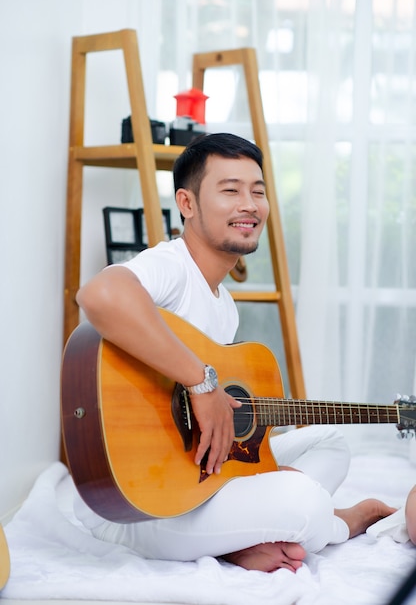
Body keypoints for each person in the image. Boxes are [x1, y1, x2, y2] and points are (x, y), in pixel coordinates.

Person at [74, 132, 395, 573]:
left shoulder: (223, 305)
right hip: (140, 509)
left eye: (257, 191)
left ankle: (248, 538)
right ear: (187, 204)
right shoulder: (171, 267)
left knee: (331, 442)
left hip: (192, 483)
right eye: (230, 190)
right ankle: (336, 524)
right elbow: (100, 294)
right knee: (304, 501)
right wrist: (201, 382)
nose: (249, 204)